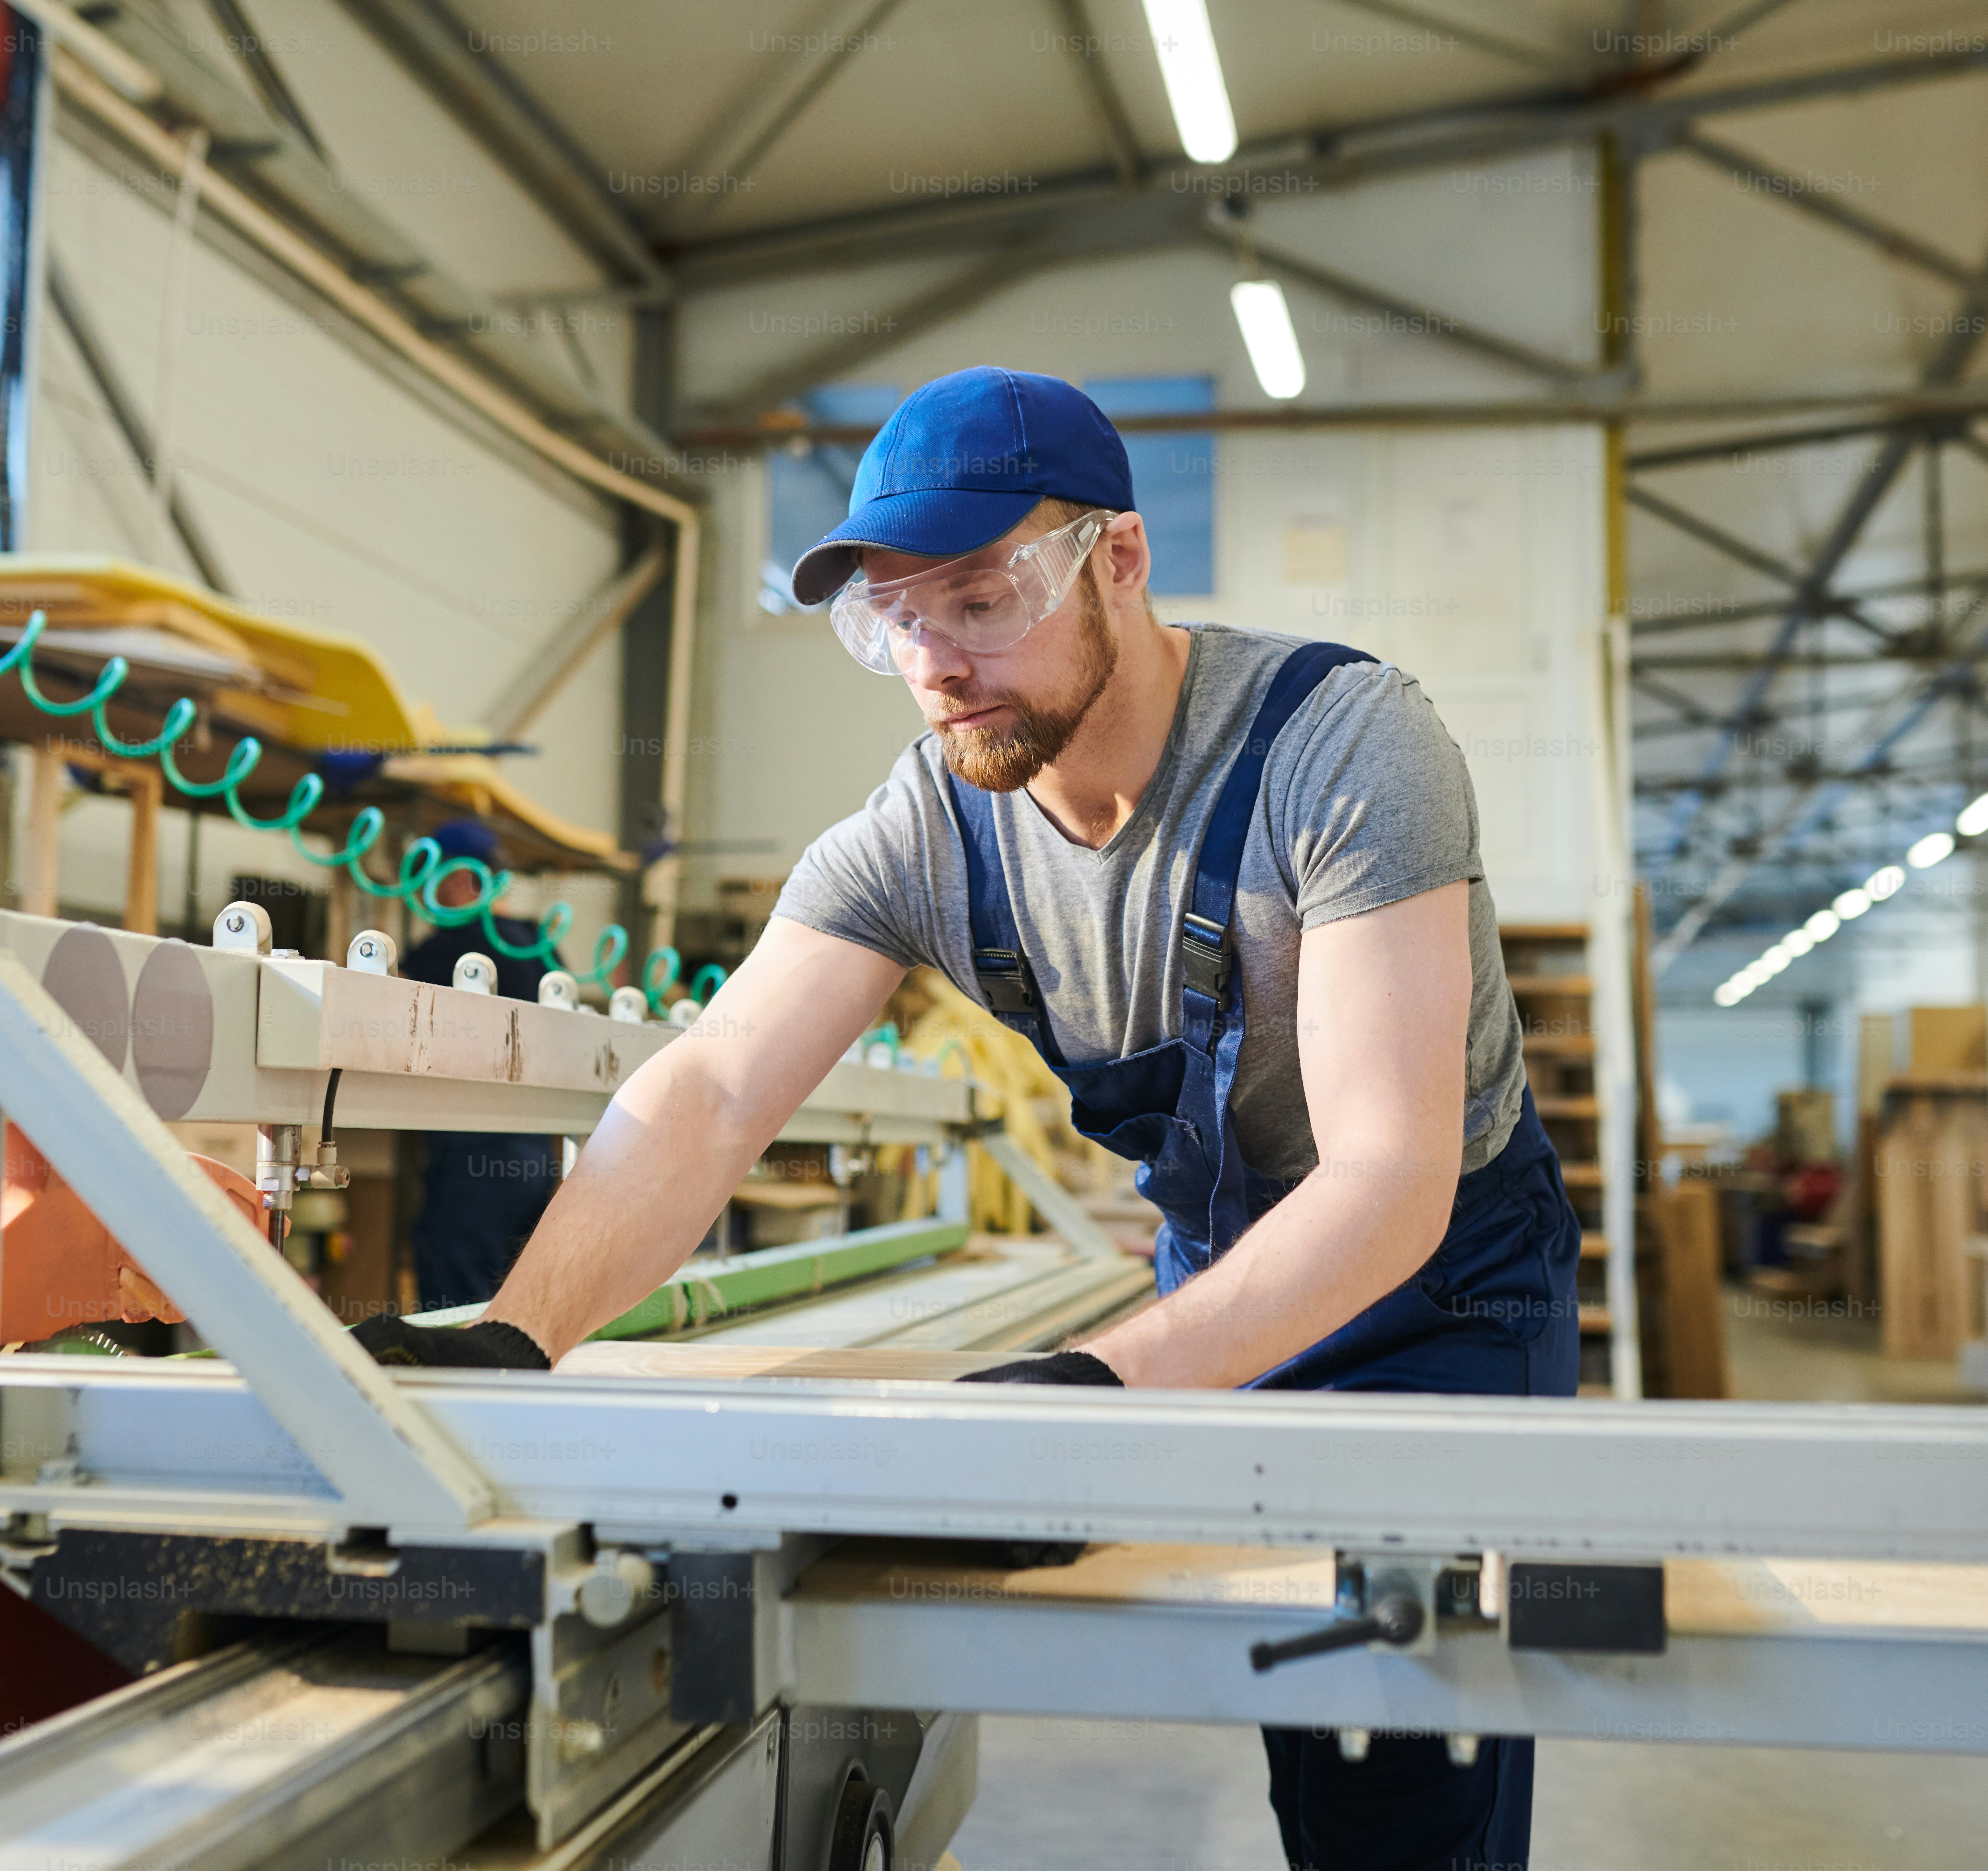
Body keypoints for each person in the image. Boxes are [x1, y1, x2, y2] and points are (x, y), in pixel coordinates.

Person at [354, 367, 1577, 1870]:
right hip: (1232, 1269)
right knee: (1311, 1715)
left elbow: (1391, 1180)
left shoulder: (1344, 750)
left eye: (982, 598)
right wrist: (513, 1339)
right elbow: (713, 1084)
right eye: (895, 617)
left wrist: (1094, 1388)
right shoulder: (929, 825)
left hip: (1444, 1283)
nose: (936, 659)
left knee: (1402, 1726)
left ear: (1116, 560)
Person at [396, 819, 559, 1312]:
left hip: (472, 1155)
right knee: (515, 1299)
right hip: (536, 1151)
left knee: (455, 1289)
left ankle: (457, 1387)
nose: (427, 894)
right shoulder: (539, 947)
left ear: (464, 879)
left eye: (436, 880)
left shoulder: (443, 950)